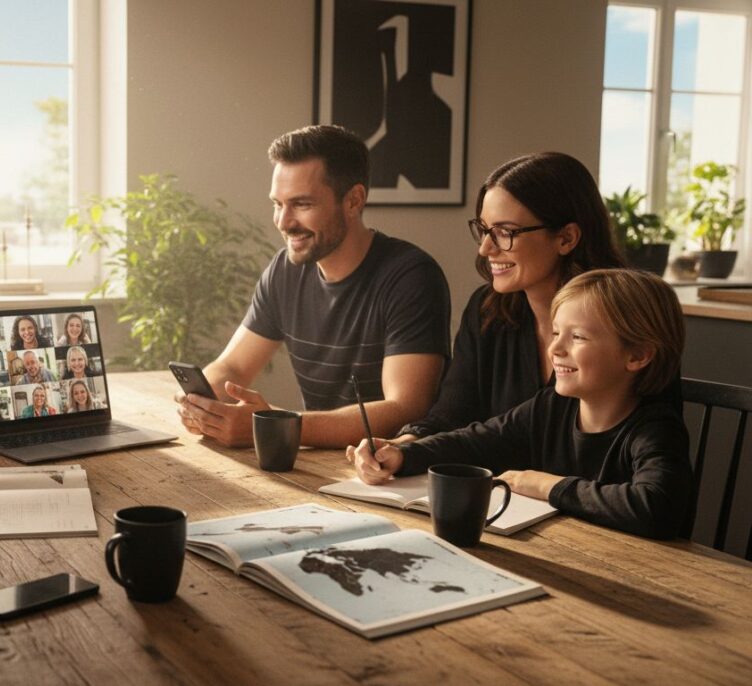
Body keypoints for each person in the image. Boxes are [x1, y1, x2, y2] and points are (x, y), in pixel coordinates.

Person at [352, 269, 692, 539]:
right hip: (568, 552)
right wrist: (403, 454)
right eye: (556, 333)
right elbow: (475, 442)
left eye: (578, 337)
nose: (555, 349)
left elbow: (656, 508)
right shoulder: (551, 407)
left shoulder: (654, 428)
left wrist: (547, 485)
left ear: (638, 355)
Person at [177, 125, 451, 449]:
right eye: (278, 204)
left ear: (354, 200)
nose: (283, 221)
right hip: (313, 465)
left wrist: (274, 428)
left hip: (394, 473)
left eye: (301, 204)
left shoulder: (411, 277)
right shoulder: (284, 272)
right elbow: (234, 366)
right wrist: (202, 401)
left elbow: (405, 408)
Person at [386, 152, 626, 449]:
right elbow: (451, 415)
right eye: (484, 230)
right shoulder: (487, 310)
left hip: (578, 494)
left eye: (505, 232)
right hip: (499, 492)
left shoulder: (623, 317)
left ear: (566, 238)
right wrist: (402, 446)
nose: (486, 249)